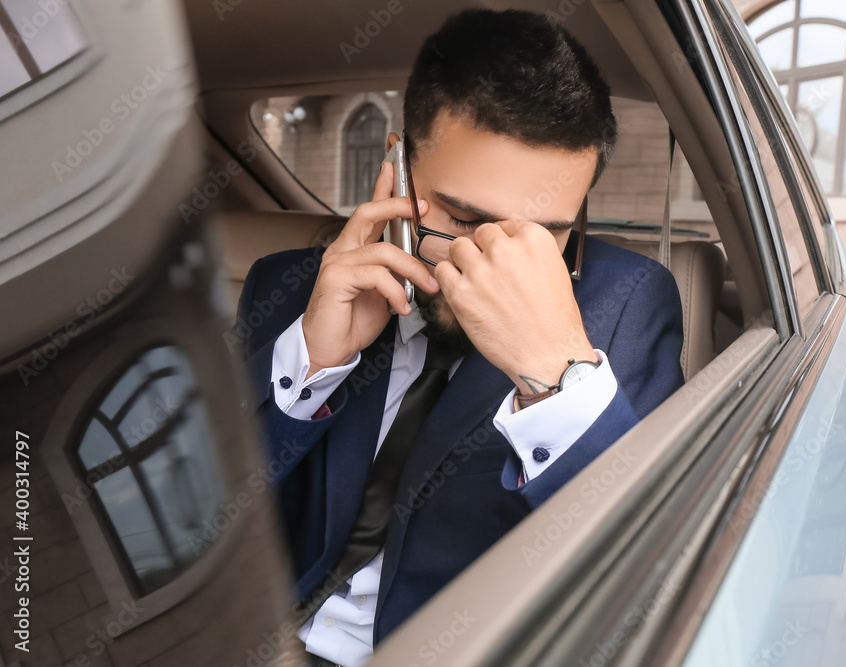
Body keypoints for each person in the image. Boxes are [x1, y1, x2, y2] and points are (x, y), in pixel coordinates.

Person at [233, 9, 685, 666]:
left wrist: (554, 376)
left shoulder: (625, 307)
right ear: (396, 165)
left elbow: (645, 580)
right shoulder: (288, 285)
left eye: (545, 233)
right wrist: (311, 368)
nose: (491, 260)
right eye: (464, 217)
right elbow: (197, 529)